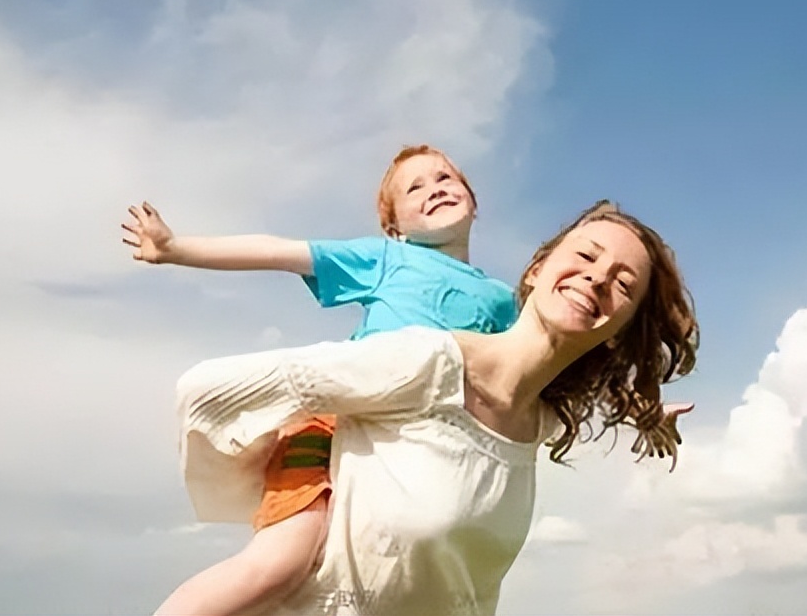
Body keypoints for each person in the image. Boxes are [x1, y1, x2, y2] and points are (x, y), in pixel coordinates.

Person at [173, 199, 699, 615]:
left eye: (624, 283)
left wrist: (646, 415)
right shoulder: (424, 361)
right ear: (538, 271)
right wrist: (310, 467)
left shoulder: (538, 422)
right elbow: (211, 394)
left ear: (619, 332)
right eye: (585, 256)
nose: (598, 277)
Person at [124, 145, 520, 615]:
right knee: (282, 563)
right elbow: (278, 251)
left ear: (473, 201)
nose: (434, 189)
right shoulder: (387, 259)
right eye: (415, 188)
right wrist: (175, 249)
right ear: (395, 229)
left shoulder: (501, 302)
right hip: (330, 427)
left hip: (411, 454)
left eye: (445, 179)